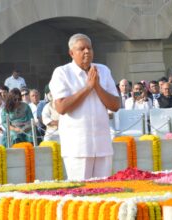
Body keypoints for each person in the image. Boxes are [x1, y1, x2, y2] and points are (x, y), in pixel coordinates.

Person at [49, 33, 120, 180]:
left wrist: (97, 86)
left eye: (89, 48)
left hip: (102, 145)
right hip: (78, 147)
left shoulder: (103, 70)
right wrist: (88, 87)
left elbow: (115, 105)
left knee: (105, 191)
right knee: (82, 194)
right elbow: (61, 107)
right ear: (71, 53)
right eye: (82, 49)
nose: (87, 51)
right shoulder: (62, 72)